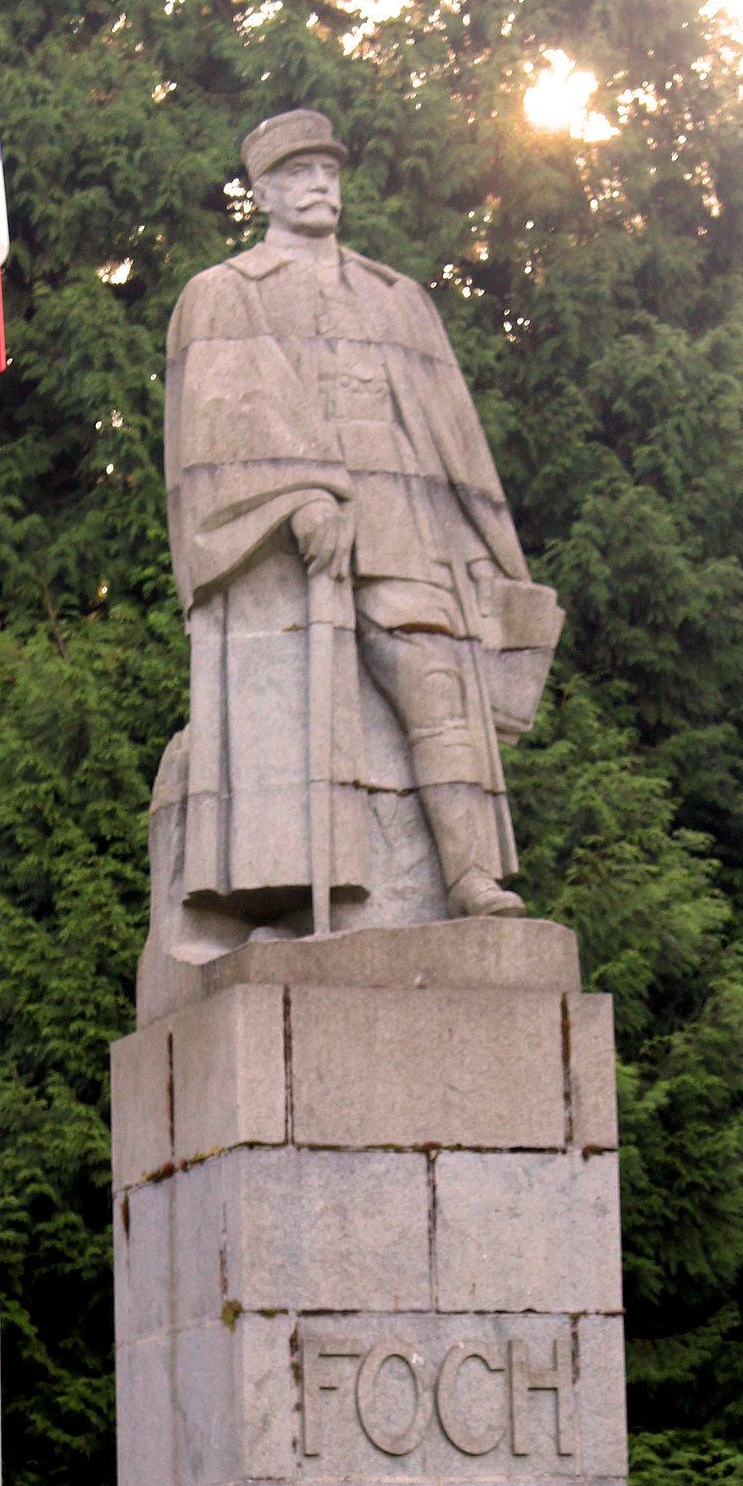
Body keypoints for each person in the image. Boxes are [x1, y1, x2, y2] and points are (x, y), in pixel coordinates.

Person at [162, 107, 545, 926]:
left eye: (327, 172)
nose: (317, 186)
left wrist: (478, 554)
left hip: (405, 517)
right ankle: (302, 891)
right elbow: (225, 415)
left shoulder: (396, 298)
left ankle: (470, 879)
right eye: (297, 174)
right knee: (303, 704)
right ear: (262, 190)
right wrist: (298, 491)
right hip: (295, 539)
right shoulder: (225, 293)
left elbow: (450, 437)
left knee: (435, 686)